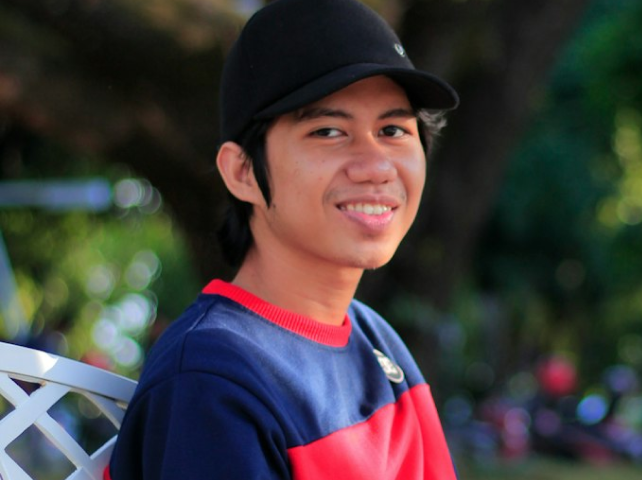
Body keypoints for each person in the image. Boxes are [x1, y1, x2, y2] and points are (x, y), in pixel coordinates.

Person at [107, 0, 460, 478]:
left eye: (393, 129)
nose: (376, 167)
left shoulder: (377, 342)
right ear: (243, 171)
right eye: (328, 131)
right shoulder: (212, 379)